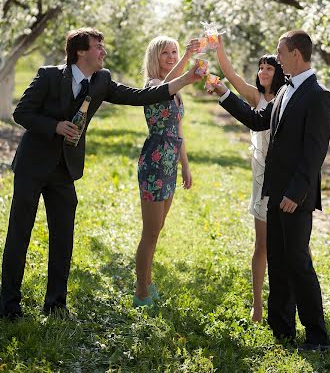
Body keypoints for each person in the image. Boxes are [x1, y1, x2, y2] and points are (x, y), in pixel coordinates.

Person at [0, 28, 200, 320]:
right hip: (33, 165)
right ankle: (9, 306)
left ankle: (55, 305)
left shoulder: (102, 80)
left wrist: (186, 78)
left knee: (63, 236)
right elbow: (22, 113)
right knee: (20, 234)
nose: (103, 51)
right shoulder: (48, 76)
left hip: (64, 169)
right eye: (98, 47)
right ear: (81, 51)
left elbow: (142, 96)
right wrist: (54, 126)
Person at [212, 30, 330, 351]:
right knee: (278, 261)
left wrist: (296, 192)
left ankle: (317, 335)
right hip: (273, 190)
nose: (276, 59)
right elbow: (256, 120)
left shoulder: (319, 94)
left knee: (298, 262)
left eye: (280, 52)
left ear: (296, 53)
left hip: (295, 196)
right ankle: (281, 330)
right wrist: (224, 94)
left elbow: (315, 151)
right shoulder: (283, 92)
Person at [215, 36, 284, 322]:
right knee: (262, 245)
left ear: (278, 72)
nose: (263, 73)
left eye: (268, 68)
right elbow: (230, 76)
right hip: (260, 179)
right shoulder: (257, 98)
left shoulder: (283, 99)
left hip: (282, 176)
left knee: (291, 245)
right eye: (261, 68)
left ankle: (292, 301)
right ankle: (257, 306)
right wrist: (218, 47)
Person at [134, 36, 197, 307]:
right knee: (150, 231)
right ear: (154, 58)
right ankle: (140, 292)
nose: (171, 57)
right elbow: (171, 82)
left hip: (170, 163)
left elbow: (179, 130)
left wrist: (185, 165)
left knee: (158, 228)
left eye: (174, 52)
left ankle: (147, 281)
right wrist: (186, 56)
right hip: (155, 162)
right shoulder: (154, 86)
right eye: (166, 54)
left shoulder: (174, 88)